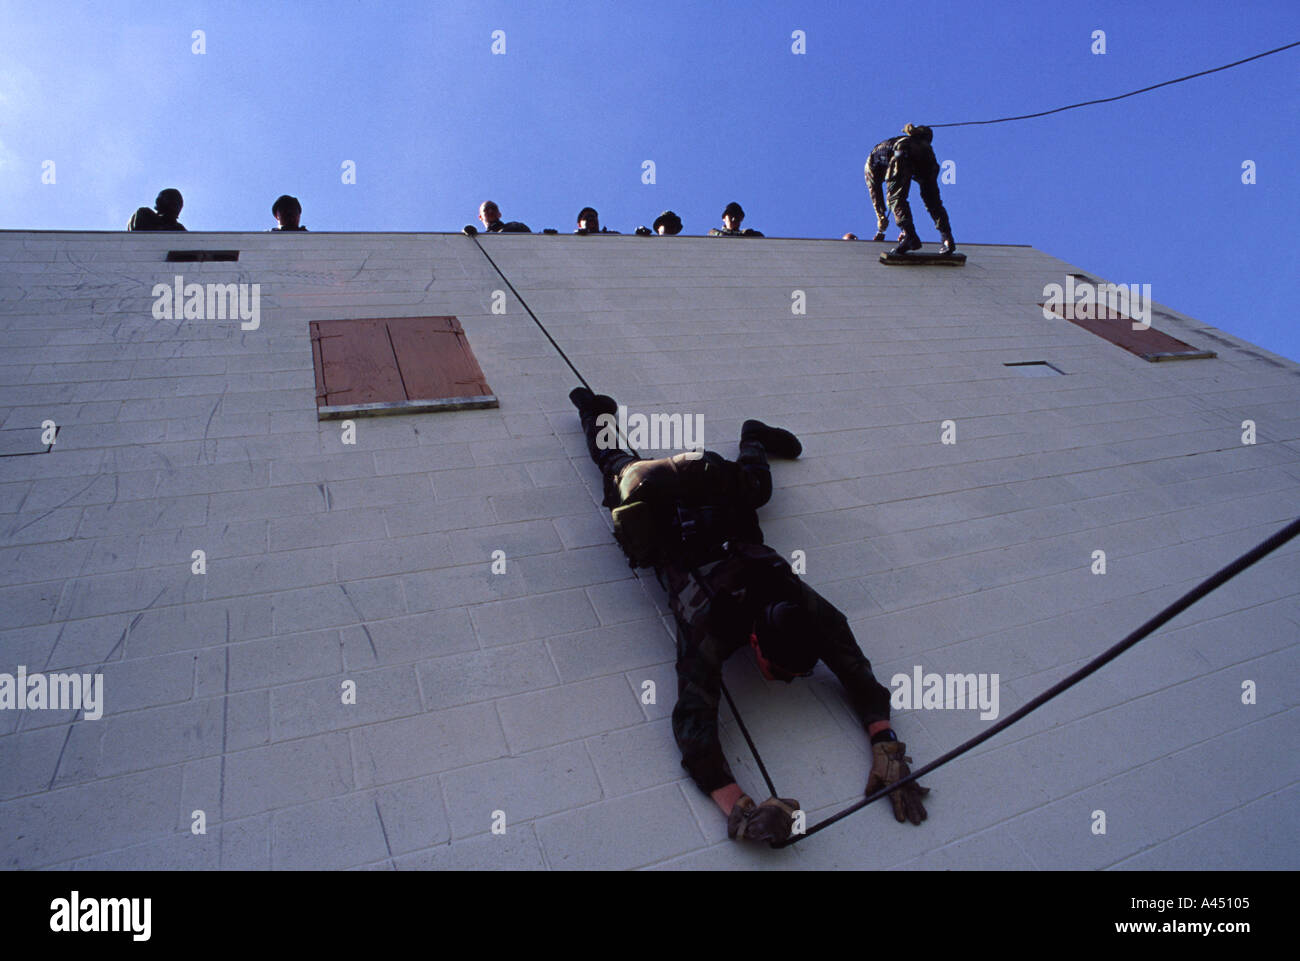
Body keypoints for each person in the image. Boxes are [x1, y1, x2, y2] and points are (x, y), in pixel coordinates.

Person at [568, 386, 929, 844]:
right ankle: (596, 411)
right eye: (778, 671)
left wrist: (885, 742)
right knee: (613, 464)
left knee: (756, 486)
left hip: (718, 492)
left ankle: (753, 437)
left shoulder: (794, 596)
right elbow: (693, 726)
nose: (789, 681)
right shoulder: (709, 624)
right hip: (654, 489)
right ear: (753, 641)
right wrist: (739, 809)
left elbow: (850, 660)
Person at [881, 124, 955, 256]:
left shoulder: (895, 146)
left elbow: (874, 187)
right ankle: (947, 239)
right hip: (927, 158)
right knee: (933, 201)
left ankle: (910, 237)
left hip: (903, 155)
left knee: (896, 198)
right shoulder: (925, 146)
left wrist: (880, 215)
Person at [464, 200, 530, 236]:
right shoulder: (481, 238)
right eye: (486, 210)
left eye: (494, 209)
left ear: (499, 214)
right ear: (480, 217)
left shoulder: (515, 226)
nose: (490, 211)